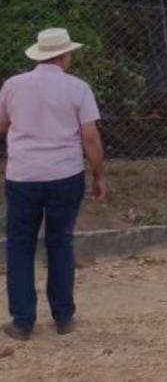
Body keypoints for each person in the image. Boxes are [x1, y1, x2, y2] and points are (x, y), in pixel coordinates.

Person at [0, 28, 107, 341]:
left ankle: (22, 322)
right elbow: (89, 136)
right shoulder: (78, 88)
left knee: (20, 245)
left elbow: (3, 125)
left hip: (23, 177)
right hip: (65, 175)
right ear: (64, 55)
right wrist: (99, 174)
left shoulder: (13, 86)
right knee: (60, 241)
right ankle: (63, 317)